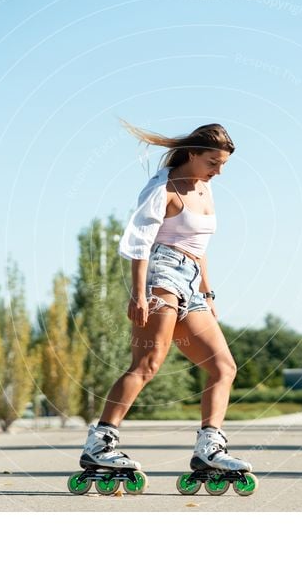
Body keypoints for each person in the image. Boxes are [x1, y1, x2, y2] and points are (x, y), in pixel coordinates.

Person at [78, 120, 253, 477]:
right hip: (161, 276)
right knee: (147, 364)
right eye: (212, 163)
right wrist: (139, 294)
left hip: (190, 281)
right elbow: (139, 243)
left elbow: (200, 245)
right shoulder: (163, 188)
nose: (218, 172)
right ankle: (99, 445)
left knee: (224, 367)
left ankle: (210, 449)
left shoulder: (205, 188)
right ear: (192, 154)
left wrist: (207, 291)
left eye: (222, 165)